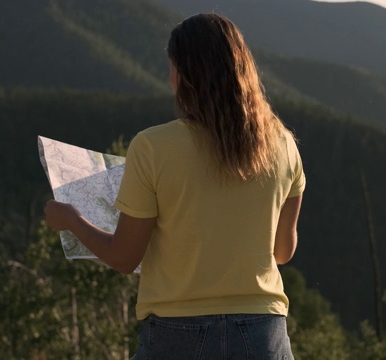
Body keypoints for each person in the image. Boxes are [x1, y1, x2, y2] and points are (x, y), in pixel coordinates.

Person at [44, 13, 305, 360]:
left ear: (181, 74)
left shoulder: (153, 147)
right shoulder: (283, 144)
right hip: (263, 333)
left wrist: (72, 219)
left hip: (177, 333)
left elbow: (124, 257)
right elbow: (283, 251)